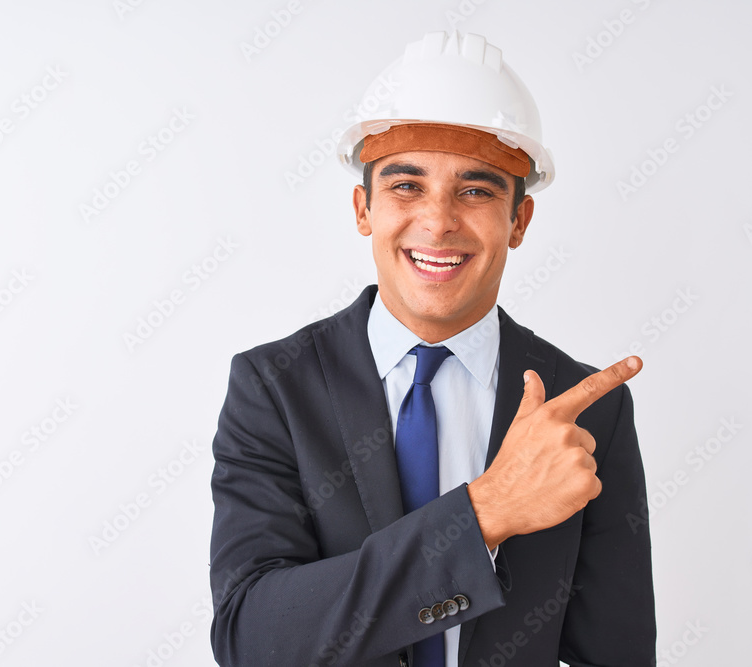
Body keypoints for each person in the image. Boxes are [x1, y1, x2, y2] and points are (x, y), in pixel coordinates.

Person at [209, 31, 655, 666]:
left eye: (476, 190)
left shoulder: (583, 409)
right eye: (406, 186)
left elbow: (615, 655)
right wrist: (487, 512)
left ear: (519, 221)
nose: (439, 221)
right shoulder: (275, 387)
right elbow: (252, 639)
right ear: (363, 208)